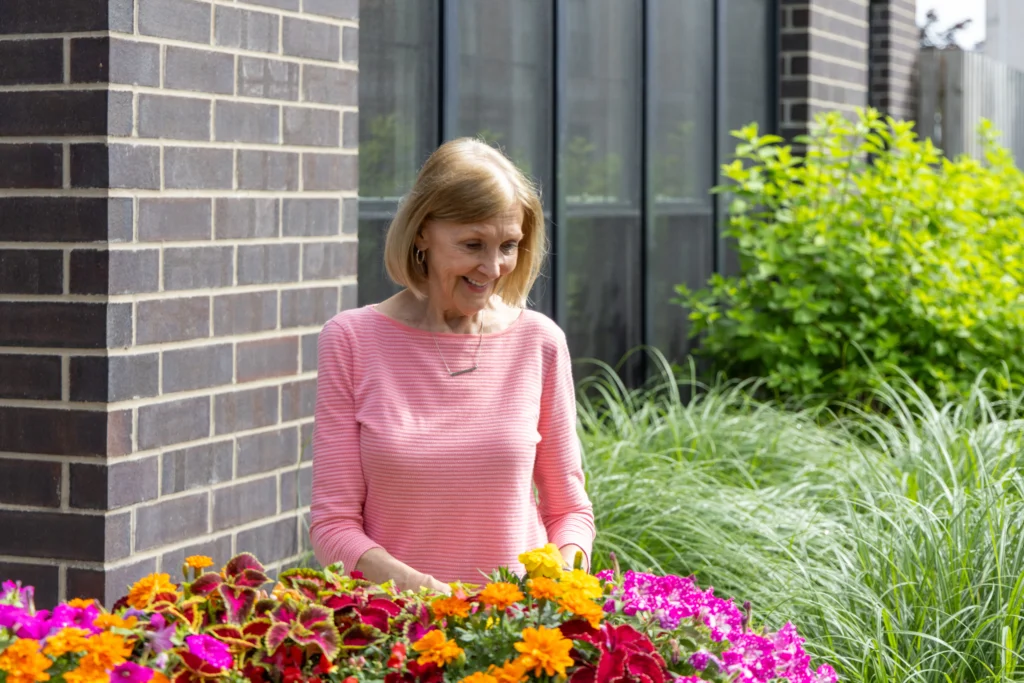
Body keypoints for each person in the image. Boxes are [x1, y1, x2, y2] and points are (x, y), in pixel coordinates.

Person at [309, 138, 595, 593]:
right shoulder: (352, 340)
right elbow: (333, 527)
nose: (494, 266)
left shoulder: (539, 342)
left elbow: (569, 513)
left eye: (509, 246)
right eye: (472, 244)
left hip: (517, 640)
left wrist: (556, 584)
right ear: (422, 231)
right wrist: (430, 595)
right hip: (397, 639)